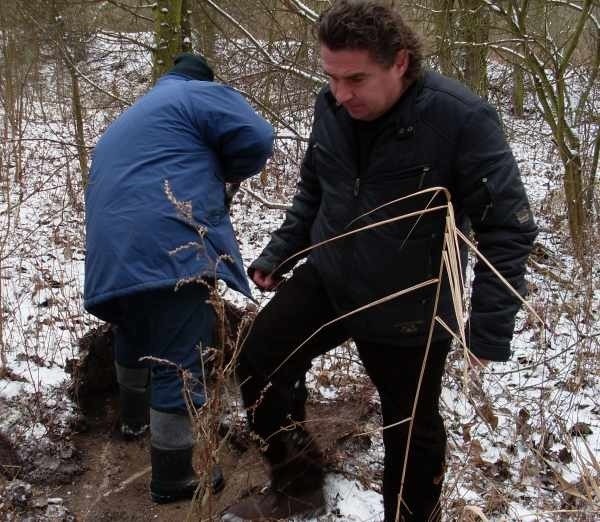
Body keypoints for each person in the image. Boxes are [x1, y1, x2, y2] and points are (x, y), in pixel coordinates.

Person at [222, 1, 537, 521]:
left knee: (411, 429)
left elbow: (507, 227)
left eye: (356, 80)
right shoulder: (333, 107)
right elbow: (314, 190)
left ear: (400, 63)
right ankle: (296, 483)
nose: (342, 94)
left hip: (409, 299)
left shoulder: (461, 119)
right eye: (332, 77)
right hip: (331, 275)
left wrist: (489, 324)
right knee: (258, 361)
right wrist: (283, 250)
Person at [83, 53, 273, 504]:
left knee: (134, 328)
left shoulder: (135, 114)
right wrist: (225, 173)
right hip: (170, 245)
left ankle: (133, 420)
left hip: (110, 251)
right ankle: (177, 476)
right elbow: (258, 137)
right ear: (204, 81)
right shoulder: (196, 94)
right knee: (180, 358)